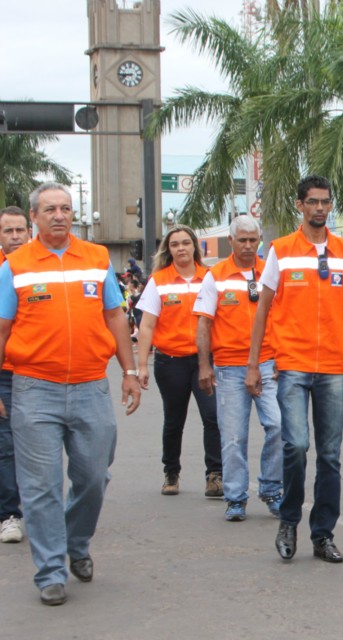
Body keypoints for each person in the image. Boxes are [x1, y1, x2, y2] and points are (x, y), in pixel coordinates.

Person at [0, 182, 140, 605]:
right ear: (34, 217)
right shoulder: (15, 266)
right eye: (50, 209)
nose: (59, 215)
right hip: (34, 389)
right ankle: (50, 571)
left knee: (94, 476)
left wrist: (129, 370)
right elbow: (3, 329)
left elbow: (115, 317)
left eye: (65, 208)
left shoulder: (96, 259)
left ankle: (76, 543)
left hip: (89, 386)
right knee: (40, 486)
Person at [246, 174, 343, 563]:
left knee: (331, 455)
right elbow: (263, 309)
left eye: (325, 201)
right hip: (293, 366)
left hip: (333, 367)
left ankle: (323, 535)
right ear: (299, 205)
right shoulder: (280, 251)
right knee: (297, 445)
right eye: (313, 201)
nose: (320, 208)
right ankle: (288, 520)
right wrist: (254, 364)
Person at [194, 215, 282, 522]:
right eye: (241, 240)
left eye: (252, 240)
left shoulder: (271, 274)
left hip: (269, 364)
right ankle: (235, 497)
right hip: (229, 369)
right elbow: (204, 323)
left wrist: (282, 358)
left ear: (260, 241)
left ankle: (271, 489)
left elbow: (283, 317)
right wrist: (204, 365)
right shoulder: (215, 276)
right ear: (230, 241)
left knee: (279, 426)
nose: (247, 246)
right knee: (233, 437)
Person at [135, 225, 222, 497]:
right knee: (174, 419)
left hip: (203, 361)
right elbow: (147, 326)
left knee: (212, 416)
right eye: (175, 244)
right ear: (168, 250)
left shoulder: (209, 277)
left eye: (186, 243)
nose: (181, 248)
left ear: (195, 247)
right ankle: (171, 472)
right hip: (170, 362)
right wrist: (140, 365)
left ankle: (215, 475)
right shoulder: (158, 281)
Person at [0, 206, 30, 544]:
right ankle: (10, 513)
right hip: (5, 372)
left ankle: (38, 506)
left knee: (36, 443)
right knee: (6, 444)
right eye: (8, 231)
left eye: (20, 230)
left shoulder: (38, 267)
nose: (15, 237)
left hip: (37, 371)